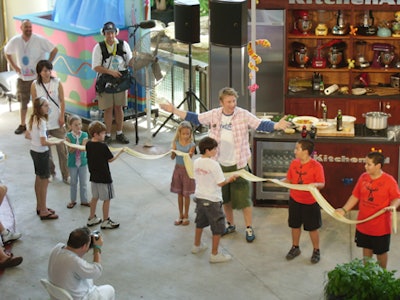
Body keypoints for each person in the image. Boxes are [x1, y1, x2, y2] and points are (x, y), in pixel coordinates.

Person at [160, 87, 290, 242]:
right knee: (225, 199)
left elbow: (259, 124)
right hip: (219, 165)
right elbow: (195, 118)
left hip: (239, 166)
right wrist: (173, 110)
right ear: (221, 102)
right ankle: (231, 224)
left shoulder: (243, 114)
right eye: (228, 102)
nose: (232, 104)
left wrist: (276, 125)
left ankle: (249, 227)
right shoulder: (214, 115)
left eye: (234, 101)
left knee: (244, 200)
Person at [336, 151, 400, 269]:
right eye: (365, 163)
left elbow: (397, 198)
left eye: (368, 164)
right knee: (366, 248)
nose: (365, 166)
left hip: (381, 227)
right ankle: (367, 272)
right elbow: (355, 196)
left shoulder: (389, 181)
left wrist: (393, 206)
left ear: (378, 166)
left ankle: (382, 275)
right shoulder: (363, 177)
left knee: (381, 252)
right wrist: (344, 210)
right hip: (363, 223)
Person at [4, 19, 58, 135]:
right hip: (22, 78)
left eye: (30, 27)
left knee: (40, 103)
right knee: (23, 101)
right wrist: (14, 66)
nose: (28, 29)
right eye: (26, 27)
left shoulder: (39, 39)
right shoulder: (16, 40)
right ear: (21, 28)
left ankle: (42, 125)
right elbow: (6, 52)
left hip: (37, 78)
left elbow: (54, 49)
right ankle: (23, 124)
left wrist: (46, 66)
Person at [191, 137, 238, 263]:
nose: (216, 150)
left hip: (200, 197)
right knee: (217, 227)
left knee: (199, 223)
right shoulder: (214, 164)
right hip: (213, 200)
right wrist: (231, 178)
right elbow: (221, 182)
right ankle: (215, 254)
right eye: (214, 148)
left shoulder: (196, 162)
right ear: (207, 150)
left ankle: (196, 246)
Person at [282, 139, 325, 264]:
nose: (294, 151)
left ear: (305, 152)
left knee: (312, 227)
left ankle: (316, 250)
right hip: (295, 200)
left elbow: (322, 183)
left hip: (310, 202)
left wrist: (315, 185)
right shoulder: (294, 163)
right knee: (294, 225)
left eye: (297, 149)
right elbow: (289, 179)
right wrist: (277, 181)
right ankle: (295, 247)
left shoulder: (316, 166)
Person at [92, 21, 133, 145]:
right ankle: (108, 134)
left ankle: (119, 133)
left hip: (121, 80)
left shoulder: (123, 45)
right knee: (108, 109)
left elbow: (129, 61)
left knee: (119, 108)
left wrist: (136, 59)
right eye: (107, 33)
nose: (110, 35)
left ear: (116, 33)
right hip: (105, 81)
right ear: (103, 34)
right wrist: (110, 72)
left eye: (112, 33)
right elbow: (96, 67)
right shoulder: (99, 47)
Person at [48, 227, 115, 299]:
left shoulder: (57, 248)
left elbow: (74, 254)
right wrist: (97, 248)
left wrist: (87, 242)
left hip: (58, 295)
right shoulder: (74, 262)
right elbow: (97, 271)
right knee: (110, 289)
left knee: (88, 280)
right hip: (78, 298)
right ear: (84, 246)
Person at [31, 59, 69, 184]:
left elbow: (62, 100)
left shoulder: (57, 82)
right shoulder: (34, 85)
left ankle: (66, 174)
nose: (46, 73)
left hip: (56, 120)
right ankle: (51, 172)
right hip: (44, 123)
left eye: (48, 70)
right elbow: (34, 104)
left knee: (62, 149)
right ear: (39, 72)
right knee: (47, 151)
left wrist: (62, 116)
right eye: (43, 71)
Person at [27, 97, 62, 220]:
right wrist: (56, 142)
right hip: (42, 153)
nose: (48, 108)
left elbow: (28, 135)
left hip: (34, 150)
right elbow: (43, 142)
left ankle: (40, 206)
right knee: (44, 181)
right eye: (46, 106)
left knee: (38, 178)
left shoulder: (32, 118)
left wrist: (44, 136)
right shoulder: (41, 121)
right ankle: (43, 210)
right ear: (39, 108)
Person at [86, 121, 125, 229]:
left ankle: (91, 217)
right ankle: (105, 220)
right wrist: (120, 152)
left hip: (93, 177)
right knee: (107, 199)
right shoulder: (103, 146)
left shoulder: (88, 144)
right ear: (95, 134)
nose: (104, 135)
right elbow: (111, 159)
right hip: (104, 178)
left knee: (94, 197)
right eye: (102, 133)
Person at [170, 121, 196, 226]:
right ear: (179, 133)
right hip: (177, 170)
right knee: (179, 194)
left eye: (188, 134)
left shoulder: (192, 144)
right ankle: (180, 214)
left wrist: (188, 153)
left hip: (187, 171)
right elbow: (172, 157)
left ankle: (186, 215)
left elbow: (189, 157)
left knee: (186, 194)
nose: (185, 136)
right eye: (183, 133)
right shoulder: (175, 143)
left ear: (190, 134)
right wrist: (172, 152)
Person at [65, 115, 90, 209]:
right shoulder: (68, 136)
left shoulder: (84, 134)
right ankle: (72, 200)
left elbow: (83, 148)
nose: (78, 126)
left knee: (83, 183)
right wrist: (76, 142)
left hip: (82, 162)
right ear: (70, 126)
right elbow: (70, 150)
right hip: (72, 163)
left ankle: (84, 200)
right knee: (73, 182)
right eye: (76, 125)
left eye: (79, 124)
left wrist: (75, 144)